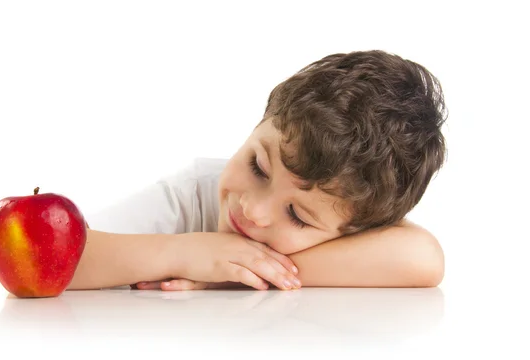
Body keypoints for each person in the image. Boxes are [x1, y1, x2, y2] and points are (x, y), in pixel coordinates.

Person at [68, 49, 448, 292]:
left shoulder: (353, 227)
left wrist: (229, 276)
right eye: (259, 167)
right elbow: (64, 260)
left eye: (297, 215)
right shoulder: (192, 195)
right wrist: (187, 252)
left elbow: (423, 258)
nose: (254, 210)